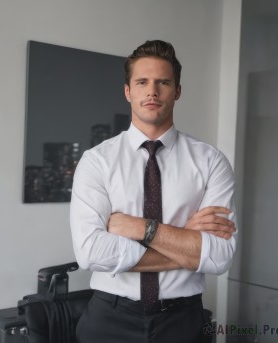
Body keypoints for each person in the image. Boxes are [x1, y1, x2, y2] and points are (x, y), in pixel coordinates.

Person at [70, 40, 238, 342]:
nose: (152, 91)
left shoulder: (211, 161)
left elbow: (221, 256)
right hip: (110, 319)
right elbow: (90, 253)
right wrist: (186, 243)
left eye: (163, 82)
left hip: (184, 322)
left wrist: (140, 228)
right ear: (127, 91)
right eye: (142, 82)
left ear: (178, 91)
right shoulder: (97, 161)